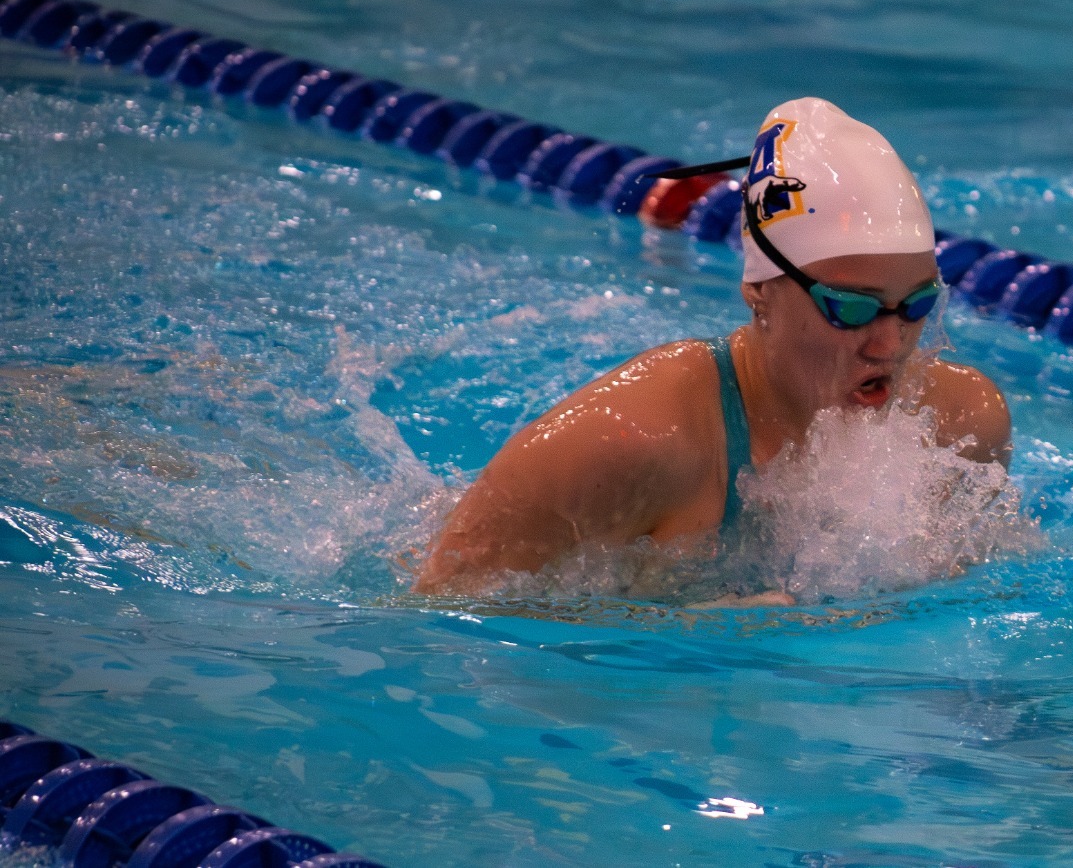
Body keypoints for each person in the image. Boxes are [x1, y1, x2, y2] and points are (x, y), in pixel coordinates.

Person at [413, 97, 1012, 600]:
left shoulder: (960, 425)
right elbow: (440, 615)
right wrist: (687, 633)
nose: (889, 343)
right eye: (849, 307)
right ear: (759, 293)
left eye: (915, 305)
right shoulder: (626, 442)